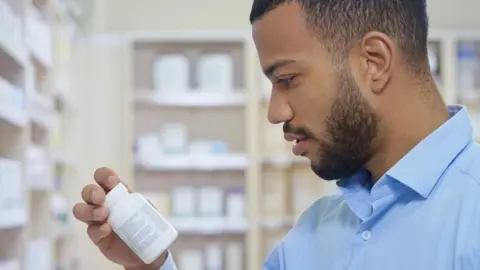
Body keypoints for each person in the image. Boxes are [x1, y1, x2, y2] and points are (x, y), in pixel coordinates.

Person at [73, 0, 480, 269]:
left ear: (373, 62)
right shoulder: (315, 232)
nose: (275, 112)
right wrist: (153, 265)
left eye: (287, 79)